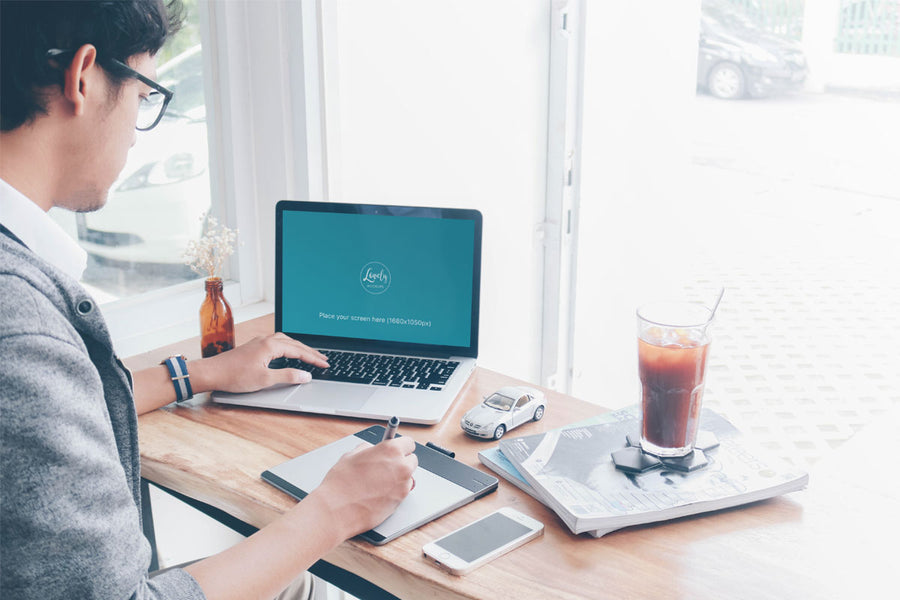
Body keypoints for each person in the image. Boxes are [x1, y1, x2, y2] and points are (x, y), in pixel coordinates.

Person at [0, 2, 418, 599]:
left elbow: (59, 406)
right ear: (84, 77)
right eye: (145, 97)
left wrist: (198, 373)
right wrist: (336, 509)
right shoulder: (19, 325)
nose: (137, 132)